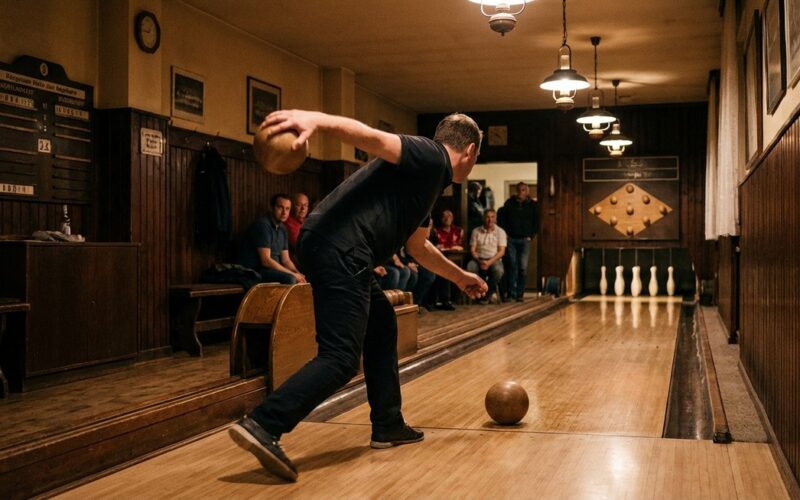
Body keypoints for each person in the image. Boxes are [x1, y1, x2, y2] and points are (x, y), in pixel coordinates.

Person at [228, 109, 488, 482]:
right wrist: (314, 121)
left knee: (381, 324)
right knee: (340, 358)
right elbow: (374, 138)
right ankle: (264, 423)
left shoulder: (428, 181)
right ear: (471, 151)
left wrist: (461, 276)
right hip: (341, 249)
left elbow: (418, 247)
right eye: (477, 158)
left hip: (337, 248)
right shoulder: (431, 155)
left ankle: (388, 424)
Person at [237, 193, 306, 285]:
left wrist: (298, 274)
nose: (284, 212)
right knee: (290, 279)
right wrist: (293, 274)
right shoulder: (263, 225)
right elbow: (265, 260)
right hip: (256, 270)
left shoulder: (283, 229)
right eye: (280, 207)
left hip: (272, 270)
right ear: (272, 208)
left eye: (287, 208)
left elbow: (286, 260)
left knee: (301, 277)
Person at [500, 182, 538, 302]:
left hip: (525, 239)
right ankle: (511, 293)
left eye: (523, 190)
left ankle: (520, 294)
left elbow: (537, 222)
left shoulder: (533, 205)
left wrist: (531, 236)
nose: (521, 192)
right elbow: (502, 218)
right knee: (511, 266)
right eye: (519, 190)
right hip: (511, 238)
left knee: (523, 267)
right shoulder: (509, 203)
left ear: (527, 192)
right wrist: (505, 234)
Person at [467, 209, 506, 304]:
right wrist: (479, 260)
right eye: (487, 217)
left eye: (492, 217)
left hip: (493, 259)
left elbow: (501, 252)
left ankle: (487, 295)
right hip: (478, 259)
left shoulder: (500, 232)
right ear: (483, 218)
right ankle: (476, 294)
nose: (490, 219)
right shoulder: (476, 231)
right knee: (470, 268)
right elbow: (472, 249)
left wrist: (489, 262)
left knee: (498, 271)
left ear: (496, 218)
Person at [432, 209, 464, 310]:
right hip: (440, 260)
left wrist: (447, 247)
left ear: (452, 218)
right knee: (444, 272)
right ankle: (444, 300)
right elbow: (436, 247)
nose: (447, 219)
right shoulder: (436, 231)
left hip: (457, 260)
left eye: (449, 216)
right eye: (444, 217)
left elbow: (460, 246)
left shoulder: (458, 231)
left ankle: (453, 299)